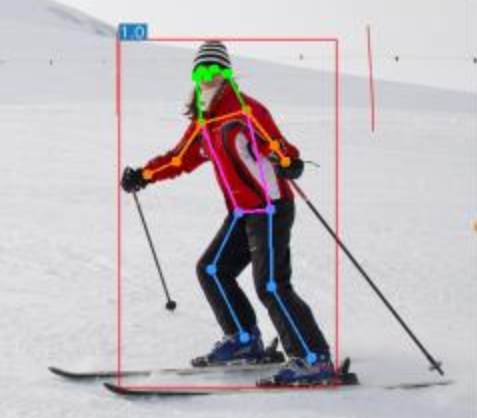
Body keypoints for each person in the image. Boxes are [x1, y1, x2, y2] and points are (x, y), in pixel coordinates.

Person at [121, 41, 334, 384]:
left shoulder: (246, 111)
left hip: (270, 207)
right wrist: (144, 175)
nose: (208, 77)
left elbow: (276, 144)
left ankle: (314, 358)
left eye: (215, 70)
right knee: (212, 269)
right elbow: (179, 159)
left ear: (227, 74)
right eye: (201, 71)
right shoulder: (204, 121)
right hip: (241, 212)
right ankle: (244, 340)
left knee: (271, 285)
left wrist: (289, 161)